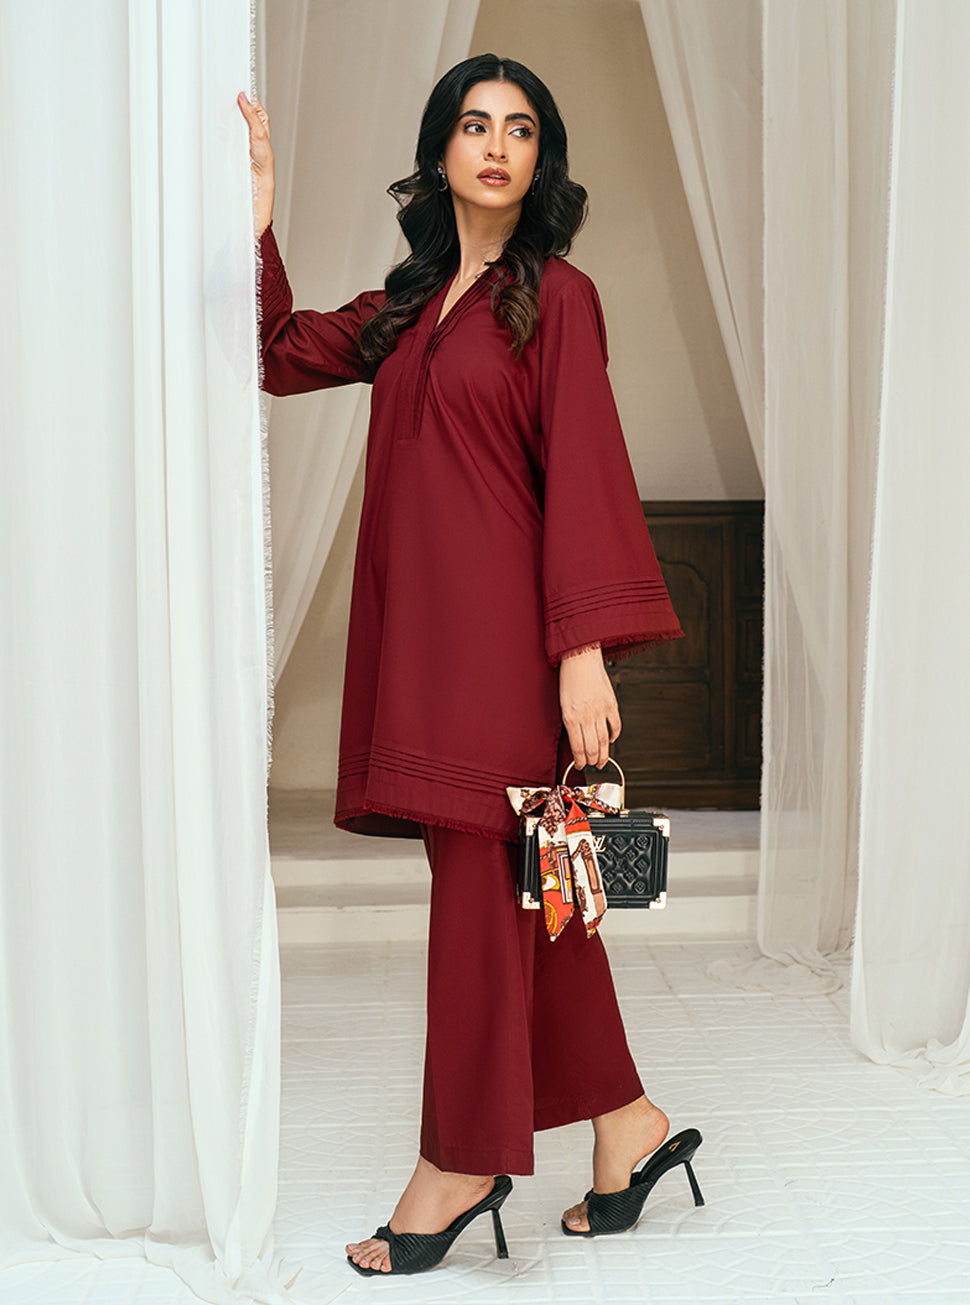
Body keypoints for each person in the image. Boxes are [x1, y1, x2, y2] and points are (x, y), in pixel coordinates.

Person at [238, 53, 703, 1277]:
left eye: (521, 129)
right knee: (527, 888)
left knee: (479, 893)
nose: (496, 146)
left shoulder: (560, 299)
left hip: (512, 649)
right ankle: (628, 1128)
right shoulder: (407, 305)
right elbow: (275, 351)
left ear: (541, 161)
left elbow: (585, 471)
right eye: (475, 125)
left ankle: (458, 1163)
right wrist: (257, 222)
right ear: (440, 149)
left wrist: (581, 654)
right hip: (427, 644)